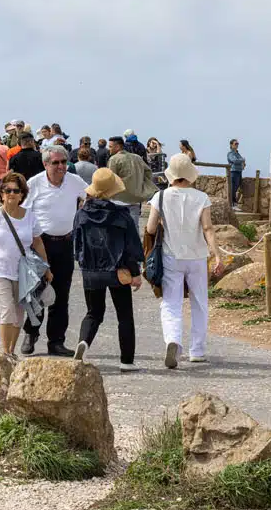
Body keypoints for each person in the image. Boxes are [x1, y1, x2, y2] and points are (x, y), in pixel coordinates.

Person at [147, 153, 222, 369]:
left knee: (171, 303)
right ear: (189, 174)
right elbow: (207, 228)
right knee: (200, 302)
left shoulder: (160, 197)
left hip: (171, 256)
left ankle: (174, 341)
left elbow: (151, 228)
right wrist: (217, 255)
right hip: (197, 256)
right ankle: (197, 351)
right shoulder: (201, 197)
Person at [73, 168, 145, 372]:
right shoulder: (121, 215)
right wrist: (136, 273)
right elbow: (131, 247)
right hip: (118, 270)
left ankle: (84, 342)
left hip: (91, 270)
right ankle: (127, 361)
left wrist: (84, 264)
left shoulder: (82, 214)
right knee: (124, 315)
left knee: (93, 313)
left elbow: (77, 244)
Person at [0, 171, 51, 359]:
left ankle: (11, 351)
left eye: (15, 191)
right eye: (7, 190)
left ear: (22, 195)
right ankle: (5, 352)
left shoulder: (30, 217)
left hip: (23, 272)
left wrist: (47, 267)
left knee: (19, 314)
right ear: (1, 193)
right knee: (7, 309)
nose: (11, 194)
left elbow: (38, 243)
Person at [22, 144, 88, 356]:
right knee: (38, 292)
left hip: (66, 244)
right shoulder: (35, 184)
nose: (61, 166)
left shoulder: (74, 181)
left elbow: (91, 195)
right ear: (45, 164)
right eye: (56, 163)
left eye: (64, 162)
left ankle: (56, 341)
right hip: (41, 245)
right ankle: (31, 333)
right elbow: (24, 213)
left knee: (61, 295)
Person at [107, 136, 156, 224]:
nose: (108, 149)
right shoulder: (137, 158)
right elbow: (148, 172)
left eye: (110, 146)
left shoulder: (114, 159)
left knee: (119, 229)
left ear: (117, 147)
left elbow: (111, 179)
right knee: (134, 227)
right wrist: (141, 186)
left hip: (118, 199)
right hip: (135, 198)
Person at [227, 139, 246, 210]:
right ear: (231, 145)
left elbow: (240, 161)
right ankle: (232, 205)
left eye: (238, 144)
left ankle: (234, 204)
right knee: (233, 189)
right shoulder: (230, 153)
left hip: (239, 171)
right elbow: (234, 160)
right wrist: (242, 160)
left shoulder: (237, 153)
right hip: (233, 172)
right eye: (235, 144)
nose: (237, 145)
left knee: (235, 188)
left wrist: (243, 163)